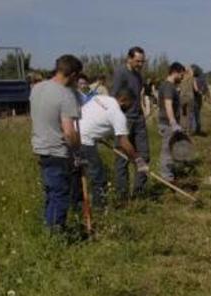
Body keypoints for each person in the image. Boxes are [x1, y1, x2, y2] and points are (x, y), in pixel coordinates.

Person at [29, 54, 83, 233]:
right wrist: (77, 150)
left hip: (41, 148)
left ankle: (48, 230)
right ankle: (56, 235)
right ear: (73, 75)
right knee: (60, 194)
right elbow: (68, 132)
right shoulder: (66, 95)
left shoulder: (37, 88)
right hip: (57, 151)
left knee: (51, 193)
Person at [74, 88, 147, 210]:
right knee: (98, 177)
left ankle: (76, 207)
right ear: (123, 100)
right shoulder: (117, 114)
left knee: (76, 175)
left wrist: (98, 134)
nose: (130, 108)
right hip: (84, 141)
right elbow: (123, 141)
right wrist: (138, 160)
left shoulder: (100, 98)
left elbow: (94, 116)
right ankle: (99, 209)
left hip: (72, 134)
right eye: (130, 104)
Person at [111, 46, 150, 201]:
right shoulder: (121, 73)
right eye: (138, 61)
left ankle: (138, 192)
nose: (140, 64)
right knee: (123, 158)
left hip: (139, 119)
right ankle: (122, 195)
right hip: (124, 119)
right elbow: (114, 98)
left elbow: (138, 96)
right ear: (129, 59)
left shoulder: (139, 76)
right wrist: (117, 119)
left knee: (144, 155)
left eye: (142, 61)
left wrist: (143, 111)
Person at [157, 62, 186, 181]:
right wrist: (173, 123)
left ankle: (169, 173)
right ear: (175, 72)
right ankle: (166, 177)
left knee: (171, 149)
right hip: (168, 124)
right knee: (167, 151)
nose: (182, 78)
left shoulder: (168, 85)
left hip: (167, 123)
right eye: (181, 75)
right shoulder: (168, 86)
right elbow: (168, 104)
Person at [191, 64, 208, 135]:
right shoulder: (202, 79)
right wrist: (202, 93)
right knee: (197, 113)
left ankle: (194, 129)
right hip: (198, 98)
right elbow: (205, 89)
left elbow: (195, 89)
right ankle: (197, 129)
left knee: (193, 114)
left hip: (193, 98)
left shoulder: (192, 79)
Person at [178, 66, 195, 134]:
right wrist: (189, 68)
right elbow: (192, 72)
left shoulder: (181, 78)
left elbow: (178, 88)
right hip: (190, 97)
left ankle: (183, 128)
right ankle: (189, 129)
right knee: (189, 114)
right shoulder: (191, 78)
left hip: (182, 97)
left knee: (183, 114)